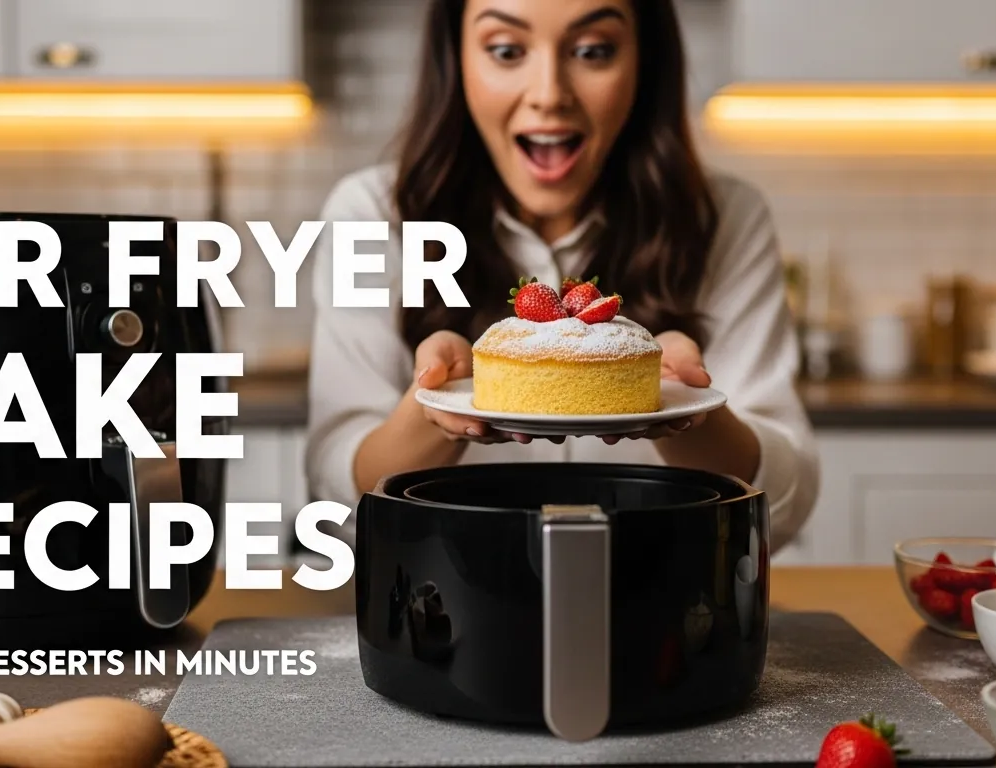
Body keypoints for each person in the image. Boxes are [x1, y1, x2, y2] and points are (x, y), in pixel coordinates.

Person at [302, 0, 819, 553]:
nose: (549, 93)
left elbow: (784, 499)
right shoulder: (374, 213)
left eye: (593, 50)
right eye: (506, 50)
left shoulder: (724, 218)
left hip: (663, 600)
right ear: (456, 59)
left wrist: (682, 403)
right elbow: (334, 498)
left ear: (646, 61)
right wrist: (433, 406)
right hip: (446, 601)